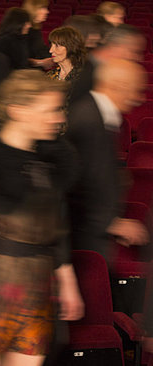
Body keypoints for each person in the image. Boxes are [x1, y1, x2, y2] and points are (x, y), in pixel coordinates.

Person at [0, 69, 84, 366]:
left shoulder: (52, 159)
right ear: (18, 111)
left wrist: (66, 278)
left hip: (37, 291)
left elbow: (55, 230)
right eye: (50, 110)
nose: (59, 118)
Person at [66, 59, 149, 258]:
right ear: (118, 86)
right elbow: (77, 182)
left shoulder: (98, 115)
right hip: (83, 237)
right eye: (136, 90)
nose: (139, 99)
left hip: (93, 233)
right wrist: (111, 223)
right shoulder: (87, 119)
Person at [69, 24, 145, 105]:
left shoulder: (99, 69)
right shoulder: (82, 74)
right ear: (117, 47)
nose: (138, 58)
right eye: (135, 52)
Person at [22, 0, 53, 69]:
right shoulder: (24, 31)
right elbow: (18, 58)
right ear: (33, 10)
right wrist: (41, 62)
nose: (47, 12)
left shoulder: (35, 30)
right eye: (43, 8)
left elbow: (42, 50)